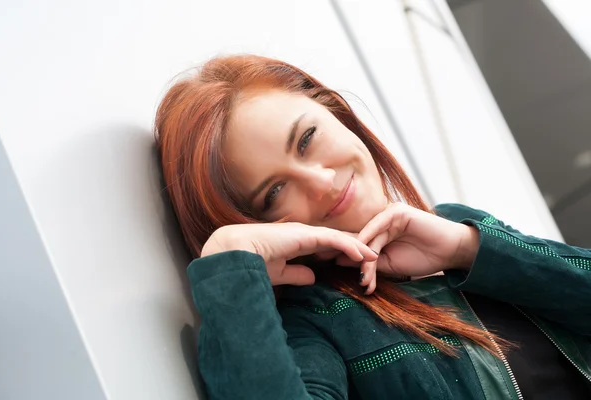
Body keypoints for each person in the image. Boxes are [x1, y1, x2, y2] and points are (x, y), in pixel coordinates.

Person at [155, 54, 591, 399]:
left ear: (338, 115)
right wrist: (230, 264)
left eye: (307, 139)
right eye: (273, 193)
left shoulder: (462, 228)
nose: (322, 183)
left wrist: (468, 249)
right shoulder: (313, 322)